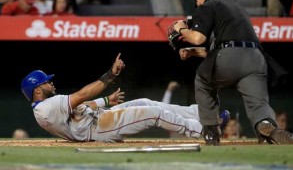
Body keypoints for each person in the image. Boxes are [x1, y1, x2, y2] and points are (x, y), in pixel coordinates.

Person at [172, 0, 293, 145]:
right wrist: (194, 52)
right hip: (256, 59)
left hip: (229, 57)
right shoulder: (236, 7)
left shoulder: (207, 6)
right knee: (258, 103)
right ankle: (266, 125)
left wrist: (181, 29)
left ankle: (210, 131)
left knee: (202, 81)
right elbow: (227, 45)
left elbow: (197, 39)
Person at [20, 53, 204, 143]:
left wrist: (106, 101)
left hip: (97, 120)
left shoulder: (45, 107)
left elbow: (80, 105)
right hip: (98, 129)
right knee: (153, 113)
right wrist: (110, 75)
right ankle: (202, 130)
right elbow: (83, 95)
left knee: (145, 102)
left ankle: (201, 114)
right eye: (46, 82)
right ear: (37, 90)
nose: (50, 84)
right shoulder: (46, 107)